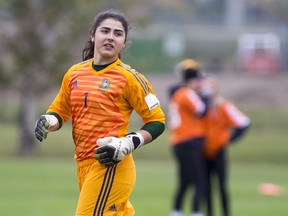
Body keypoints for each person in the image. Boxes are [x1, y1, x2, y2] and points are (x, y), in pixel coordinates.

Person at [34, 9, 165, 216]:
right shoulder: (74, 73)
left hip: (109, 164)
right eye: (105, 31)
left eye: (118, 34)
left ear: (124, 42)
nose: (111, 37)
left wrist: (130, 142)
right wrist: (49, 120)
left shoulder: (129, 78)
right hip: (82, 164)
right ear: (93, 35)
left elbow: (157, 121)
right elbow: (60, 111)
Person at [200, 75, 250, 216]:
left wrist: (227, 139)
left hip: (218, 152)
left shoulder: (222, 106)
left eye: (209, 85)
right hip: (202, 152)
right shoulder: (199, 106)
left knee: (221, 187)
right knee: (206, 188)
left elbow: (243, 123)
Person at [168, 59, 209, 216]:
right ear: (191, 80)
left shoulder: (178, 93)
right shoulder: (187, 93)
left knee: (184, 181)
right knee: (200, 181)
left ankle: (176, 211)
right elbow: (201, 110)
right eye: (198, 80)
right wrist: (204, 95)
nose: (200, 84)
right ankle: (196, 212)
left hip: (179, 141)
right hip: (189, 141)